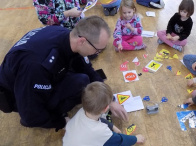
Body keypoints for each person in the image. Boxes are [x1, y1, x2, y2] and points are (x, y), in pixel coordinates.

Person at [0, 16, 128, 130]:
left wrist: (109, 100)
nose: (96, 54)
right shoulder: (37, 65)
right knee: (80, 85)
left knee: (83, 79)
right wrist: (61, 122)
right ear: (82, 41)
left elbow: (87, 69)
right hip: (17, 96)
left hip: (33, 76)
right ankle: (56, 112)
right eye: (97, 50)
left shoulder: (67, 36)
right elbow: (29, 116)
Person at [63, 82, 145, 146]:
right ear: (106, 108)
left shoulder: (82, 110)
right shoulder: (100, 131)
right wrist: (135, 138)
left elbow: (99, 120)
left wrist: (112, 126)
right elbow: (120, 141)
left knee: (101, 117)